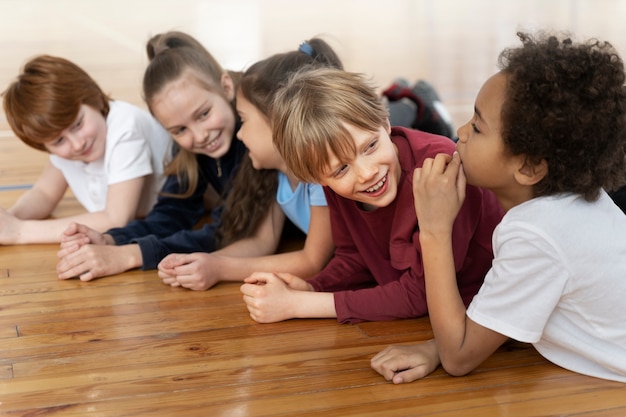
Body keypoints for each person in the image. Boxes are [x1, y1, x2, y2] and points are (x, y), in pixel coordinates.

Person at [371, 32, 626, 383]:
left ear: (529, 168)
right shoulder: (584, 200)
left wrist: (434, 229)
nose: (460, 131)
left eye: (477, 127)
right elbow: (523, 303)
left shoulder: (535, 235)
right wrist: (437, 346)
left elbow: (459, 359)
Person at [240, 66, 504, 324]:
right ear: (318, 179)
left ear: (385, 122)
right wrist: (312, 287)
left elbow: (422, 294)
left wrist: (299, 305)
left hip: (484, 310)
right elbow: (353, 256)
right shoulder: (335, 186)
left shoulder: (439, 169)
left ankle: (426, 106)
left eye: (370, 146)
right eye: (341, 169)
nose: (366, 173)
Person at [55, 31, 276, 281]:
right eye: (179, 130)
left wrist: (132, 255)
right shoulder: (190, 147)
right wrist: (112, 239)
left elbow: (228, 231)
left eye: (203, 114)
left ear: (226, 87)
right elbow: (172, 212)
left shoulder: (253, 142)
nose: (200, 135)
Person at [157, 39, 339, 290]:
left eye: (244, 120)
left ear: (278, 123)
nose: (240, 135)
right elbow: (263, 241)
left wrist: (219, 269)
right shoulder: (278, 174)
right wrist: (205, 261)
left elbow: (312, 261)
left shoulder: (321, 176)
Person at [0, 55, 170, 244]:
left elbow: (116, 219)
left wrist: (19, 232)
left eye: (78, 125)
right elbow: (44, 194)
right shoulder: (70, 143)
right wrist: (9, 220)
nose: (77, 144)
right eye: (58, 141)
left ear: (95, 99)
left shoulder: (126, 127)